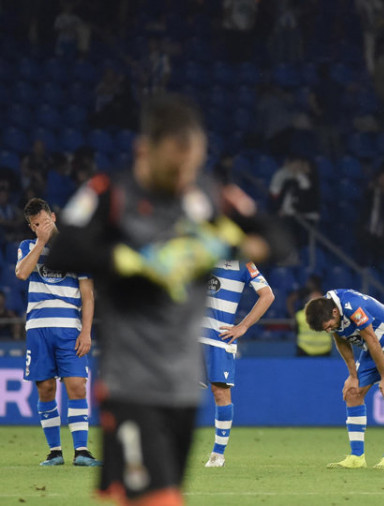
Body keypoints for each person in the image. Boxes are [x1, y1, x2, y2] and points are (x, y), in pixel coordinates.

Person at [46, 94, 277, 504]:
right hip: (131, 381)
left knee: (146, 493)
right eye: (175, 163)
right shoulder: (110, 192)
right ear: (145, 150)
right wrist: (129, 260)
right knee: (158, 498)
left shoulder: (207, 195)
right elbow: (64, 248)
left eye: (191, 163)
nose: (183, 173)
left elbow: (278, 239)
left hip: (181, 387)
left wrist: (223, 241)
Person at [15, 198, 100, 467]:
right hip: (38, 329)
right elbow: (21, 274)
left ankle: (82, 451)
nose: (42, 227)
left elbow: (88, 296)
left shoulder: (77, 250)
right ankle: (54, 452)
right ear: (31, 226)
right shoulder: (28, 247)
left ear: (54, 216)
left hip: (69, 330)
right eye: (36, 224)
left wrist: (86, 332)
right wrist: (40, 244)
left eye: (45, 221)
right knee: (46, 388)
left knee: (77, 385)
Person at [305, 288, 384, 470]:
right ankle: (357, 457)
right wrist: (352, 376)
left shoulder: (353, 307)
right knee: (352, 393)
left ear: (335, 312)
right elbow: (341, 339)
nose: (329, 330)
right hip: (373, 347)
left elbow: (372, 339)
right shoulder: (328, 309)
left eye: (328, 326)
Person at [201, 260, 274, 468]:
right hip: (190, 335)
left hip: (219, 338)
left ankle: (217, 455)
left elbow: (267, 295)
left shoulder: (244, 263)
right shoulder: (199, 250)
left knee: (220, 392)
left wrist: (243, 326)